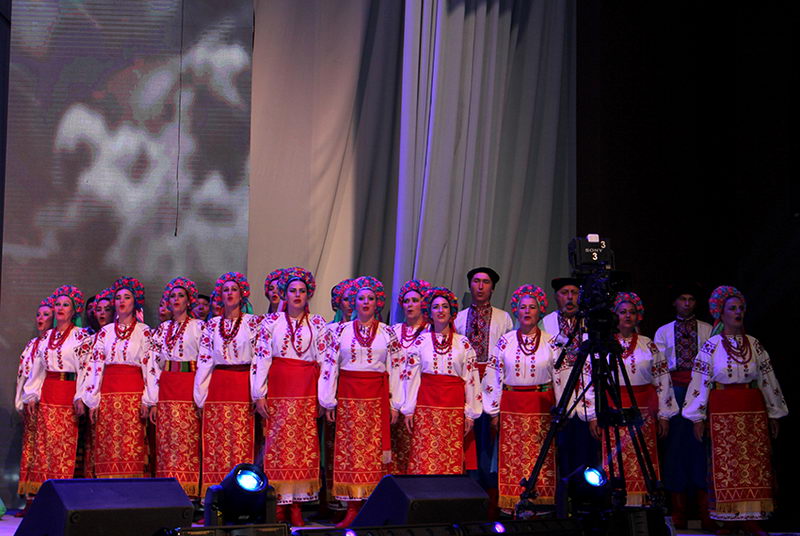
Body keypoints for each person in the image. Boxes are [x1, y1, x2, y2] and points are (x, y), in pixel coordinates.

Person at [683, 286, 787, 535]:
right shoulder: (711, 346)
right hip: (723, 409)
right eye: (732, 308)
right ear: (721, 313)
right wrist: (697, 417)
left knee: (755, 462)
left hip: (752, 408)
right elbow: (700, 381)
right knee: (727, 464)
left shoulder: (754, 344)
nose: (738, 312)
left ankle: (752, 518)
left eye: (741, 308)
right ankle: (729, 519)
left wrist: (774, 412)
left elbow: (767, 379)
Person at [253, 267, 335, 526]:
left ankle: (297, 505)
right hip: (279, 389)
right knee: (277, 445)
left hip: (306, 390)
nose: (297, 295)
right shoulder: (271, 323)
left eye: (302, 291)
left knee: (302, 447)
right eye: (292, 291)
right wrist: (259, 393)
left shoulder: (318, 323)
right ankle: (279, 504)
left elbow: (326, 361)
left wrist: (324, 398)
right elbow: (261, 358)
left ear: (308, 294)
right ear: (285, 294)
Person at [324, 276, 404, 528]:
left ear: (378, 302)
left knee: (373, 454)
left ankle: (372, 508)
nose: (366, 302)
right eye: (361, 298)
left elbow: (396, 368)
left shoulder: (388, 333)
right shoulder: (340, 331)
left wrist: (395, 403)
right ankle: (352, 509)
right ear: (353, 302)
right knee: (350, 452)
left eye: (370, 298)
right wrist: (328, 400)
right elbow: (330, 366)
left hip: (376, 399)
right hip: (348, 397)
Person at [482, 285, 559, 511]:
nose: (527, 311)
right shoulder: (505, 341)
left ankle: (540, 505)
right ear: (516, 310)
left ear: (540, 311)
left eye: (532, 307)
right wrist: (494, 411)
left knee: (540, 456)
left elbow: (560, 378)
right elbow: (494, 376)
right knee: (513, 456)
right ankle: (511, 503)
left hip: (541, 407)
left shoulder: (551, 342)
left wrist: (561, 409)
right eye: (523, 307)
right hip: (511, 407)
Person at [605, 292, 677, 506]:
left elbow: (662, 380)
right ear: (614, 316)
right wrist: (592, 415)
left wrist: (664, 415)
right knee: (616, 459)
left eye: (632, 312)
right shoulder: (605, 345)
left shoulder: (648, 344)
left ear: (639, 316)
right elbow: (592, 381)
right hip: (614, 409)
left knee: (643, 457)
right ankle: (617, 505)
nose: (627, 316)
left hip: (643, 410)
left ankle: (643, 504)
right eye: (622, 312)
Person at [194, 272, 262, 495]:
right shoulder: (212, 325)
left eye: (234, 289)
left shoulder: (253, 323)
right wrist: (201, 395)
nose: (230, 293)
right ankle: (216, 494)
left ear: (242, 295)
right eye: (225, 290)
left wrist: (257, 392)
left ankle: (242, 494)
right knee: (217, 441)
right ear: (220, 296)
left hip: (242, 384)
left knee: (240, 440)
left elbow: (259, 359)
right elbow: (205, 360)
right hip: (218, 385)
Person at [404, 286, 481, 477]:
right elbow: (412, 378)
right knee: (425, 455)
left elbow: (471, 379)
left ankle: (447, 493)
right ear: (429, 312)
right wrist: (409, 409)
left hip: (453, 408)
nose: (440, 310)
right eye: (436, 307)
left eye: (445, 306)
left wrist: (470, 413)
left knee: (449, 456)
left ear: (452, 311)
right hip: (426, 407)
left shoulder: (462, 343)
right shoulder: (421, 342)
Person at [453, 267, 513, 515]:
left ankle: (490, 499)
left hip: (492, 381)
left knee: (489, 440)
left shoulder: (503, 318)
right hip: (465, 382)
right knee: (466, 439)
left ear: (492, 288)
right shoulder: (459, 318)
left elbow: (508, 354)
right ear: (470, 286)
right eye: (476, 281)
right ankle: (465, 496)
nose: (480, 286)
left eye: (485, 282)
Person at [653, 283, 713, 529]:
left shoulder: (707, 329)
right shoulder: (663, 331)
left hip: (701, 390)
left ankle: (705, 510)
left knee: (700, 448)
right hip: (675, 390)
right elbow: (659, 368)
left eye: (691, 299)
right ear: (674, 302)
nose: (686, 303)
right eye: (682, 299)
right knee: (676, 449)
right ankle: (678, 511)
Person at [22, 285, 93, 491]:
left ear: (74, 310)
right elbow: (38, 369)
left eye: (66, 305)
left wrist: (80, 396)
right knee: (44, 445)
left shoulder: (81, 336)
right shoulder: (47, 337)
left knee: (63, 444)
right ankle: (43, 491)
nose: (61, 308)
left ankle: (62, 491)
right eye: (58, 304)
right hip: (48, 394)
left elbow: (86, 369)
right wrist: (32, 394)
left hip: (67, 394)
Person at [83, 277, 152, 478]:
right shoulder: (104, 333)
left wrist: (148, 399)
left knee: (132, 443)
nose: (122, 301)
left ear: (135, 302)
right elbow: (95, 366)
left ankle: (131, 489)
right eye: (118, 297)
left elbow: (150, 367)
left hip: (133, 394)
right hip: (108, 395)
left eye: (127, 297)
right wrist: (93, 400)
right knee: (108, 443)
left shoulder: (144, 332)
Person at [144, 277, 205, 497]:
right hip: (167, 386)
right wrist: (152, 401)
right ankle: (167, 491)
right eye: (172, 296)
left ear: (189, 301)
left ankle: (188, 491)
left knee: (187, 439)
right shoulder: (161, 329)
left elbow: (205, 362)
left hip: (189, 385)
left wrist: (201, 396)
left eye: (181, 296)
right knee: (166, 441)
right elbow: (152, 365)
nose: (176, 299)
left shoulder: (199, 327)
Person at [542, 277, 599, 497]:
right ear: (557, 296)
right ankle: (563, 500)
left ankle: (586, 498)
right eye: (564, 293)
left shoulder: (589, 322)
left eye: (574, 293)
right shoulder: (546, 323)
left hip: (586, 394)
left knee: (587, 451)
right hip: (560, 395)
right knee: (561, 450)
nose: (569, 297)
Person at [15, 297, 54, 509]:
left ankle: (42, 499)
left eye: (46, 315)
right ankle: (29, 498)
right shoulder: (32, 344)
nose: (41, 318)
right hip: (30, 403)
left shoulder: (52, 344)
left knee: (43, 449)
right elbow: (22, 375)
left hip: (44, 401)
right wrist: (20, 401)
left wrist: (36, 395)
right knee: (29, 448)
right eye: (38, 314)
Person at [389, 279, 431, 475]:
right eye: (406, 301)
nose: (410, 305)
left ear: (423, 303)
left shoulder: (431, 332)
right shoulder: (394, 331)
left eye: (415, 300)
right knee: (395, 449)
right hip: (395, 395)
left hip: (420, 397)